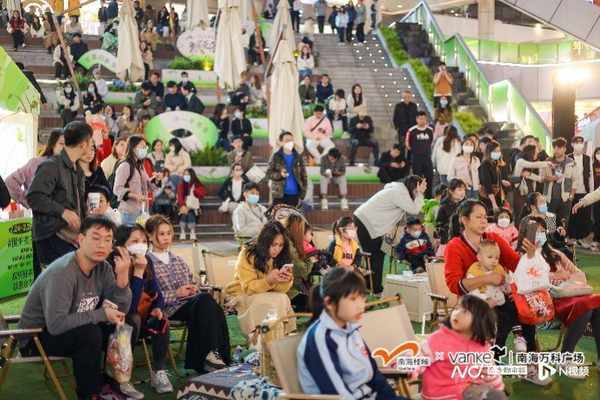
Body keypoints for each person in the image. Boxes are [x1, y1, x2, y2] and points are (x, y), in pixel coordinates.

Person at [18, 216, 131, 399]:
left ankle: (111, 382)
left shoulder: (104, 268)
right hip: (36, 337)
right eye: (95, 238)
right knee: (89, 334)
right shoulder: (63, 272)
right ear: (80, 240)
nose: (102, 245)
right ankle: (90, 394)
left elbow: (121, 310)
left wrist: (123, 277)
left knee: (125, 323)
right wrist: (102, 314)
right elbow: (56, 325)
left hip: (73, 326)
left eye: (108, 239)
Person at [443, 200, 550, 385]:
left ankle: (527, 366)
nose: (484, 220)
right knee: (504, 316)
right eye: (478, 217)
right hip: (472, 301)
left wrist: (531, 255)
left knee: (525, 313)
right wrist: (488, 279)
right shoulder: (455, 246)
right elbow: (454, 285)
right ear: (464, 220)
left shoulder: (494, 239)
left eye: (485, 217)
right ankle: (493, 370)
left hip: (499, 296)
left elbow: (517, 265)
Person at [297, 268, 405, 399]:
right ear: (329, 303)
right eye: (353, 299)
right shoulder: (320, 339)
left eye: (362, 297)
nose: (361, 306)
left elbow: (374, 375)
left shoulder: (350, 329)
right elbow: (336, 394)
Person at [146, 215, 231, 374]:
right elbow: (149, 296)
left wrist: (193, 288)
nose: (166, 238)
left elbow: (192, 281)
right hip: (168, 309)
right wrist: (176, 293)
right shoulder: (147, 262)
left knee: (209, 303)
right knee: (207, 303)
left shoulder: (178, 260)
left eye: (169, 233)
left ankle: (212, 356)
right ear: (150, 236)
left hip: (191, 304)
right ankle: (212, 355)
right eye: (161, 234)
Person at [105, 224, 172, 396]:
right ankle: (121, 378)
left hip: (141, 319)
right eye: (134, 241)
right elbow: (129, 307)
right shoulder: (113, 263)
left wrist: (157, 308)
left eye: (143, 241)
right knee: (133, 318)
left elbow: (157, 292)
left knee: (161, 318)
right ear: (121, 244)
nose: (140, 245)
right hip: (115, 322)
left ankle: (159, 372)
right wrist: (138, 272)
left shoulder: (146, 260)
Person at [415, 295, 505, 400]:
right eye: (456, 308)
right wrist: (409, 368)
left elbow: (490, 372)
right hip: (440, 394)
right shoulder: (438, 339)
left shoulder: (482, 346)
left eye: (465, 311)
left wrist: (497, 388)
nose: (457, 313)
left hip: (469, 390)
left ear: (479, 320)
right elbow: (420, 359)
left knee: (496, 396)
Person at [27, 121, 91, 267]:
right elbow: (34, 197)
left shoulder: (77, 169)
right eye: (90, 142)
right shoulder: (51, 166)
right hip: (51, 237)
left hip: (71, 238)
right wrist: (63, 212)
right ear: (84, 144)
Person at [539, 230, 600, 374]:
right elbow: (535, 280)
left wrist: (562, 277)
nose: (539, 234)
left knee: (597, 302)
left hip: (571, 293)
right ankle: (565, 358)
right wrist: (559, 276)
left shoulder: (555, 254)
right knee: (585, 306)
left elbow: (580, 275)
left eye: (542, 231)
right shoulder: (525, 257)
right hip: (549, 299)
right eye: (536, 231)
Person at [354, 175, 427, 293]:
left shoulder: (399, 191)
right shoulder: (399, 193)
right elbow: (414, 210)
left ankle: (372, 286)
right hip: (365, 222)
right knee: (374, 254)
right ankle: (374, 288)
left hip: (366, 221)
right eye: (419, 188)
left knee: (377, 254)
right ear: (414, 187)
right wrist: (420, 193)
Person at [225, 220, 295, 334]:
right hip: (243, 293)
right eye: (274, 244)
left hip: (269, 296)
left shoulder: (282, 257)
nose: (277, 249)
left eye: (280, 245)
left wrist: (285, 281)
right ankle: (268, 339)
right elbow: (248, 288)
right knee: (270, 303)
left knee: (282, 298)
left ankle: (269, 338)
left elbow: (282, 291)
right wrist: (268, 280)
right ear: (265, 242)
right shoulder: (247, 254)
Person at [6, 129, 65, 209]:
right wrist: (26, 200)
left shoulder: (71, 167)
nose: (65, 148)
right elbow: (10, 181)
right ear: (53, 144)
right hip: (40, 214)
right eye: (61, 144)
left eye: (68, 144)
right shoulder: (36, 163)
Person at [113, 136, 153, 226]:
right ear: (133, 148)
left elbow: (148, 185)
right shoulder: (125, 165)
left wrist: (156, 180)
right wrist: (135, 196)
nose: (145, 149)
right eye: (142, 146)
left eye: (145, 147)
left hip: (142, 211)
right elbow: (117, 189)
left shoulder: (140, 166)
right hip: (128, 213)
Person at [267, 131, 308, 207]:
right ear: (281, 142)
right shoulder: (276, 156)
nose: (290, 142)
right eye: (287, 140)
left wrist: (302, 195)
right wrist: (280, 174)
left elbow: (304, 177)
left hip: (295, 195)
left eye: (291, 140)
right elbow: (268, 174)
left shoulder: (298, 157)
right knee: (279, 214)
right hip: (279, 195)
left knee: (292, 215)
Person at [511, 144, 548, 224]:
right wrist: (547, 163)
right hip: (520, 195)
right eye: (536, 152)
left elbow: (540, 179)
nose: (537, 154)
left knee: (529, 217)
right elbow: (533, 165)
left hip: (530, 194)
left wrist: (530, 174)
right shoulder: (520, 162)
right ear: (531, 153)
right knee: (520, 216)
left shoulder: (531, 166)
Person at [465, 240, 510, 306]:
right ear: (479, 257)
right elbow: (473, 290)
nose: (494, 261)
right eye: (490, 257)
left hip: (499, 300)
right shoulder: (475, 271)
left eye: (497, 258)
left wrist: (506, 287)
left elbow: (505, 279)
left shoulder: (498, 268)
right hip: (483, 303)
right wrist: (486, 299)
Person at [284, 214, 315, 311]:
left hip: (291, 287)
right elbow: (303, 271)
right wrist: (311, 259)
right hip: (290, 291)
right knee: (315, 303)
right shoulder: (288, 245)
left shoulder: (290, 242)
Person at [542, 138, 575, 226]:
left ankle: (561, 235)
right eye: (555, 148)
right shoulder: (548, 161)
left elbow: (575, 180)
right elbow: (542, 178)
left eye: (559, 148)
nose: (556, 150)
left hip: (565, 197)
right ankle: (551, 234)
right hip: (550, 197)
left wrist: (571, 196)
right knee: (550, 223)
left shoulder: (570, 162)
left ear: (564, 149)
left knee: (563, 222)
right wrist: (554, 178)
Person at [567, 136, 593, 244]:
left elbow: (590, 175)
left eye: (581, 142)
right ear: (572, 144)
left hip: (584, 191)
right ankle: (571, 236)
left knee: (584, 216)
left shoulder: (587, 158)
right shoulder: (568, 158)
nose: (579, 145)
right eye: (577, 142)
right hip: (571, 192)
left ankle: (582, 238)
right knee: (572, 215)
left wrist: (591, 191)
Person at [406, 111, 434, 197]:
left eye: (424, 119)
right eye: (420, 119)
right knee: (417, 179)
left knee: (429, 177)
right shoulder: (412, 130)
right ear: (417, 119)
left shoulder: (430, 130)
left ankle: (428, 197)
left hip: (427, 158)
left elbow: (431, 142)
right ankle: (417, 196)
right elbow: (408, 145)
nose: (422, 120)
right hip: (416, 158)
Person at [478, 141, 509, 216]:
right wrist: (494, 204)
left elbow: (494, 179)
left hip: (498, 196)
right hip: (488, 199)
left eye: (498, 151)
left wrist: (501, 182)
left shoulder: (496, 164)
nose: (498, 153)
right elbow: (487, 186)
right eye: (495, 151)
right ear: (489, 152)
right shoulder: (485, 165)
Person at [435, 178, 466, 252]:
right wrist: (439, 238)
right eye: (459, 190)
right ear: (451, 191)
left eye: (464, 190)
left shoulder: (466, 205)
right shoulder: (443, 207)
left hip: (463, 240)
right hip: (448, 241)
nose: (463, 192)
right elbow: (439, 224)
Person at [176, 168, 206, 241]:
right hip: (183, 207)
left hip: (194, 207)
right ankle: (183, 231)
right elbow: (180, 197)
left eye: (188, 175)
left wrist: (194, 190)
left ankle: (192, 231)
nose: (186, 176)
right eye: (185, 174)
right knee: (184, 213)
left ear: (192, 175)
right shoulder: (181, 185)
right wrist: (183, 205)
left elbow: (202, 195)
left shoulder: (197, 184)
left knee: (191, 213)